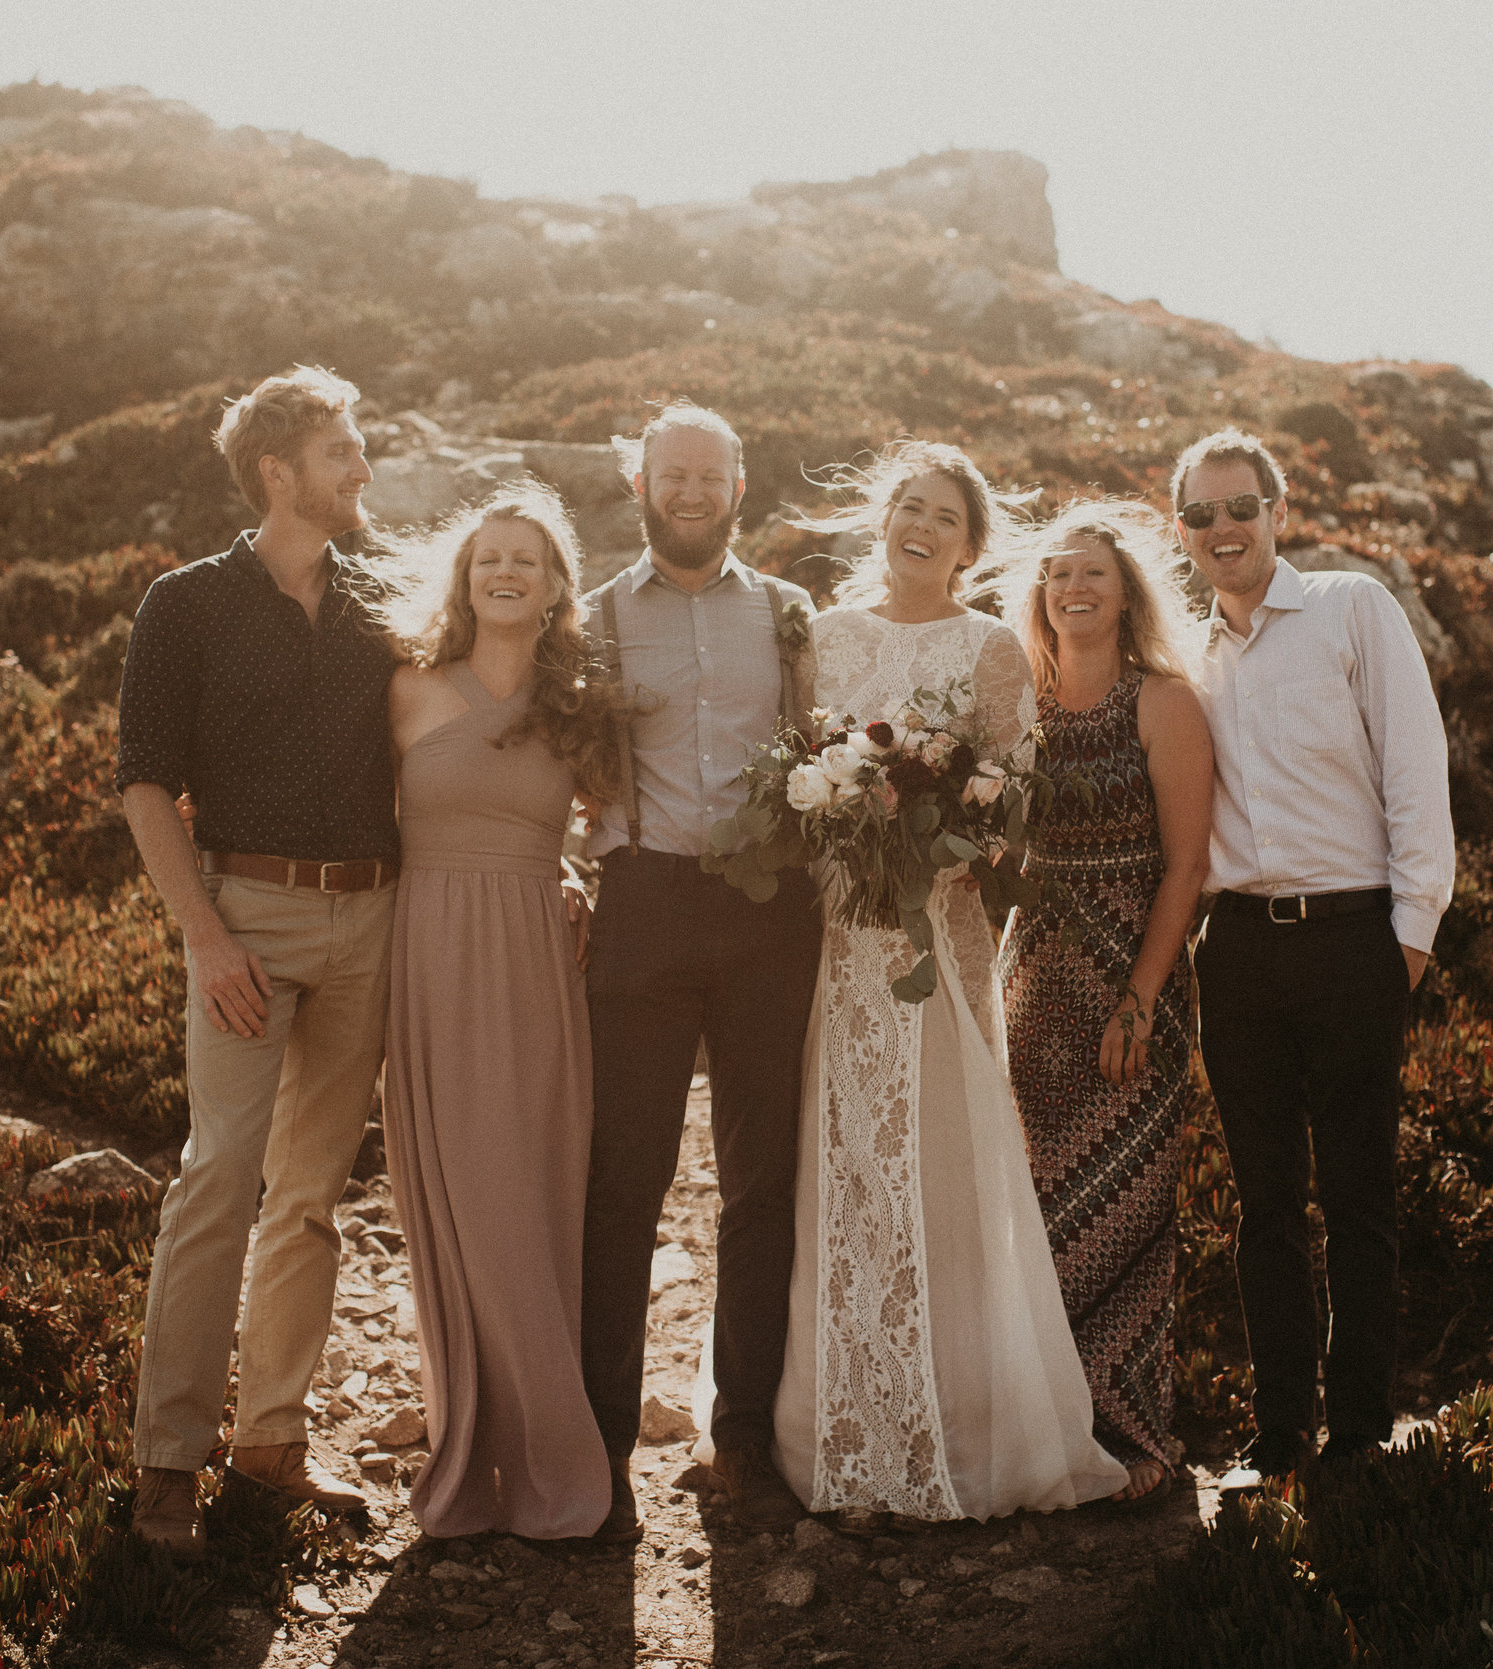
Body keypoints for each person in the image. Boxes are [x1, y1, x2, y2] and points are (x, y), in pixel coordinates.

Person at [771, 440, 1128, 1524]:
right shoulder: (819, 637)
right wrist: (839, 809)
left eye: (946, 517)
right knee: (839, 1167)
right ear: (881, 518)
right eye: (908, 506)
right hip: (832, 944)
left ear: (971, 548)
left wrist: (931, 826)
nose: (921, 526)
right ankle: (838, 1429)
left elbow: (1010, 811)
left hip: (936, 936)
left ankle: (959, 1428)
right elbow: (789, 772)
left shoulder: (988, 652)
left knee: (941, 1168)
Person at [114, 365, 397, 1558]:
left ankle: (273, 1439)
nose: (363, 470)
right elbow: (142, 782)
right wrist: (207, 932)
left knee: (312, 1193)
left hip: (372, 919)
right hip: (248, 917)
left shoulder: (384, 597)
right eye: (342, 451)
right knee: (220, 1177)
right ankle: (168, 1461)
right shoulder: (182, 605)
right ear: (278, 470)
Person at [1172, 430, 1454, 1490]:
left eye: (1240, 506)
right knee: (1264, 1204)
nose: (1223, 529)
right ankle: (1280, 1430)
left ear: (1278, 510)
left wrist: (1408, 942)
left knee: (1359, 1198)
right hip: (1236, 950)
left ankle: (1361, 1432)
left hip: (1352, 941)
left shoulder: (1352, 608)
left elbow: (1416, 772)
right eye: (1200, 515)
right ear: (1183, 531)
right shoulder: (1187, 654)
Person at [578, 402, 825, 1541]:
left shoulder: (785, 615)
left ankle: (744, 1437)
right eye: (668, 474)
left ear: (739, 486)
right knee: (622, 1184)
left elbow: (822, 748)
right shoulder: (588, 620)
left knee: (760, 1186)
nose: (687, 491)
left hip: (768, 914)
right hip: (639, 907)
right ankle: (599, 1447)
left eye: (707, 475)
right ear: (640, 485)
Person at [381, 485, 624, 1540]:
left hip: (532, 958)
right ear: (465, 577)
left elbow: (625, 830)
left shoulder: (577, 707)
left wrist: (576, 881)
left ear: (557, 582)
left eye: (526, 557)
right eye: (488, 557)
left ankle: (553, 1459)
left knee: (526, 1196)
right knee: (454, 1196)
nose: (505, 571)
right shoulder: (405, 687)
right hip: (427, 952)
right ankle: (469, 1451)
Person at [997, 499, 1214, 1509]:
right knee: (1035, 1209)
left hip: (1139, 977)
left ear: (1124, 591)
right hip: (1032, 978)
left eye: (1090, 573)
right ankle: (1042, 1427)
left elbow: (1186, 867)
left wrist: (1140, 997)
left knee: (1124, 1211)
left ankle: (1129, 1433)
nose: (1071, 588)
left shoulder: (1159, 703)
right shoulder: (1018, 701)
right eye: (1056, 575)